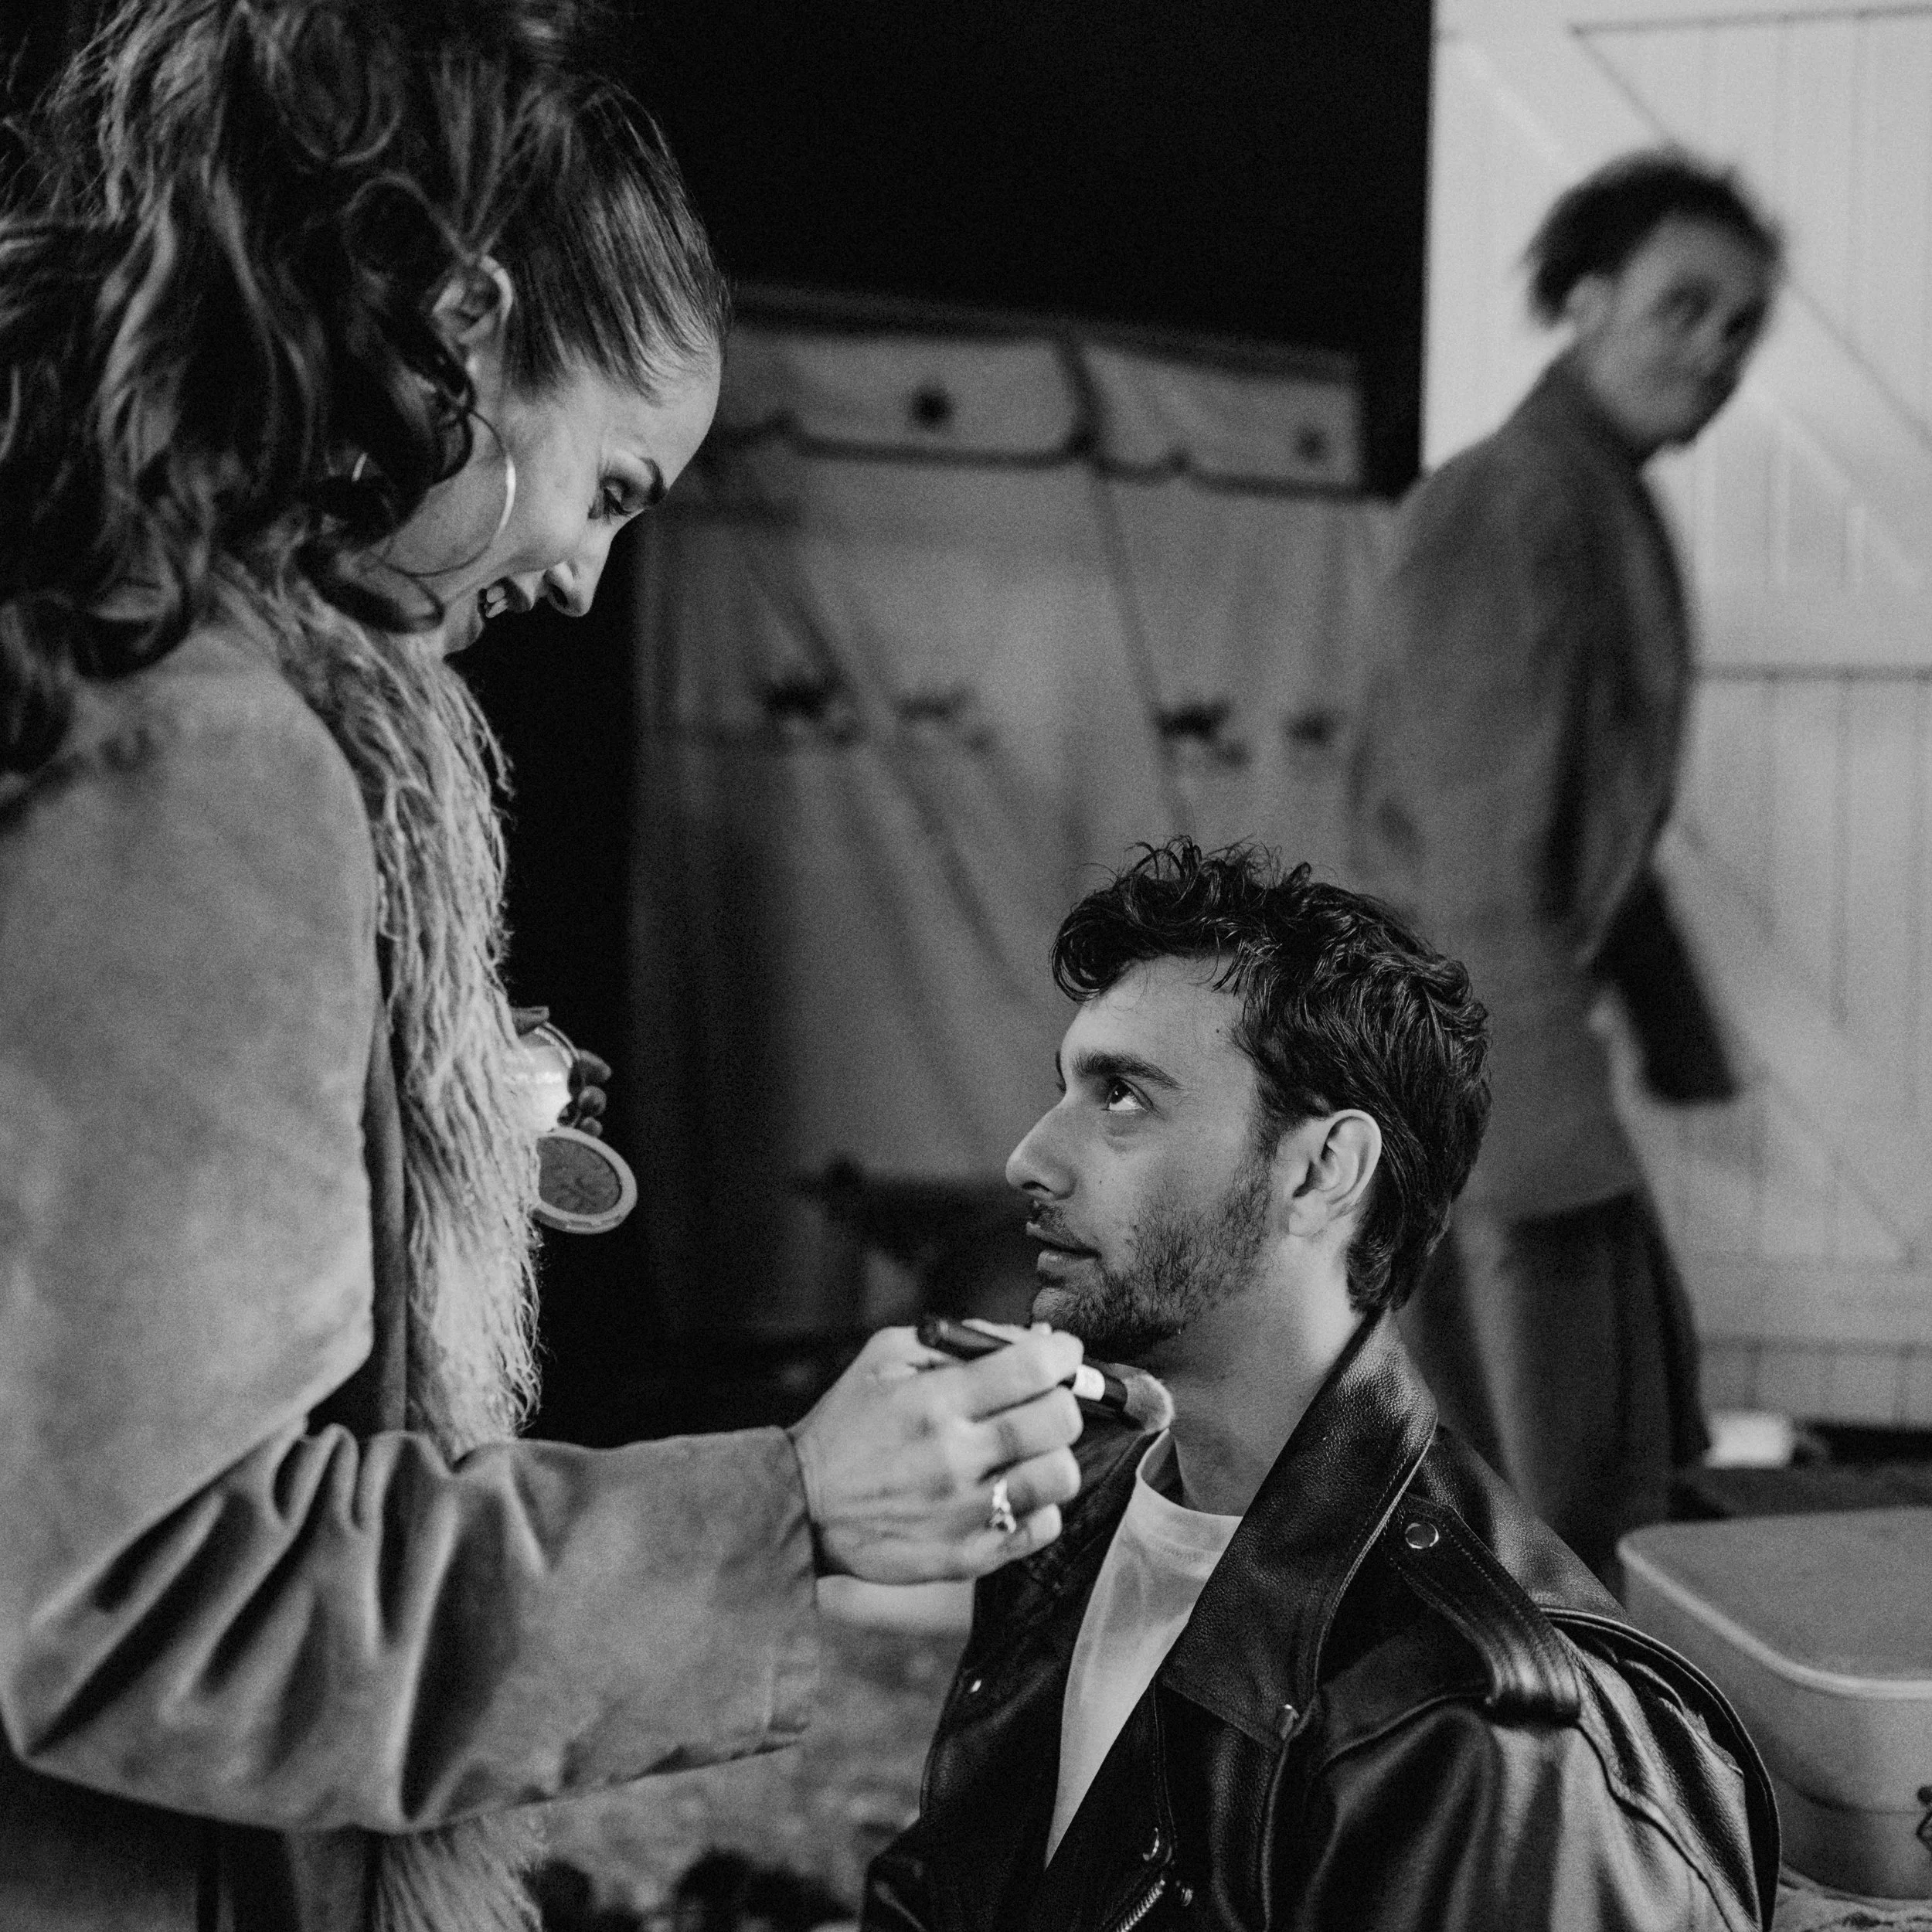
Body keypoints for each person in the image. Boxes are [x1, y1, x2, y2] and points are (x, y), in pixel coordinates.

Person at [0, 3, 1085, 1927]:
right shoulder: (208, 755)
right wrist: (790, 1510)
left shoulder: (82, 636)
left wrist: (410, 1125)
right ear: (473, 334)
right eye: (611, 491)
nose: (585, 582)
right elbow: (146, 1597)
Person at [865, 842, 1778, 1932]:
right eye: (1064, 1086)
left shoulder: (1475, 1738)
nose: (1028, 1157)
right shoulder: (1068, 1514)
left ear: (1322, 1171)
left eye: (1121, 1096)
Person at [1345, 150, 1781, 1579]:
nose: (1716, 353)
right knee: (1547, 1506)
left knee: (1606, 1473)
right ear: (1586, 302)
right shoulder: (1510, 502)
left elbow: (1596, 823)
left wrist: (1683, 1041)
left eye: (1742, 329)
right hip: (1485, 1073)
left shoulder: (1597, 493)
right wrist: (1544, 1156)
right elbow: (1483, 862)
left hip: (1506, 1058)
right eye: (1687, 308)